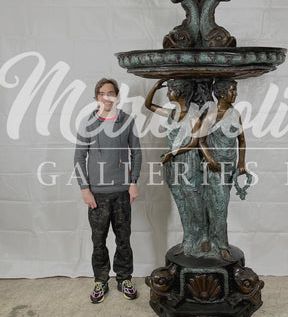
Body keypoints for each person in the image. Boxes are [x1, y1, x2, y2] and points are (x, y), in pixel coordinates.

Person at [74, 78, 142, 303]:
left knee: (124, 238)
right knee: (98, 240)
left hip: (122, 192)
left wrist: (133, 182)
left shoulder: (127, 121)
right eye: (102, 93)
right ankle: (101, 280)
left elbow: (137, 153)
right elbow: (79, 157)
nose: (107, 97)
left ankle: (124, 278)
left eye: (111, 93)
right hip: (97, 195)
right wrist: (85, 189)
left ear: (116, 96)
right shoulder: (87, 123)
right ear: (97, 97)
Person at [145, 79, 205, 256]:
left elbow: (194, 142)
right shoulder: (171, 113)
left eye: (170, 90)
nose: (168, 93)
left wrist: (173, 151)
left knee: (194, 203)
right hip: (172, 164)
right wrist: (155, 86)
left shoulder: (193, 115)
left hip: (188, 162)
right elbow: (148, 105)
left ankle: (201, 241)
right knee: (181, 203)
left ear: (179, 92)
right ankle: (188, 240)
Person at [199, 79, 247, 261]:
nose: (235, 93)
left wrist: (241, 163)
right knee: (220, 206)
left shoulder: (235, 114)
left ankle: (210, 238)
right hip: (215, 168)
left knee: (218, 204)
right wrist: (210, 159)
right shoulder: (211, 115)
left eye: (235, 90)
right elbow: (201, 141)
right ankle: (221, 245)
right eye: (232, 90)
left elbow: (241, 140)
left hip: (230, 166)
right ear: (220, 93)